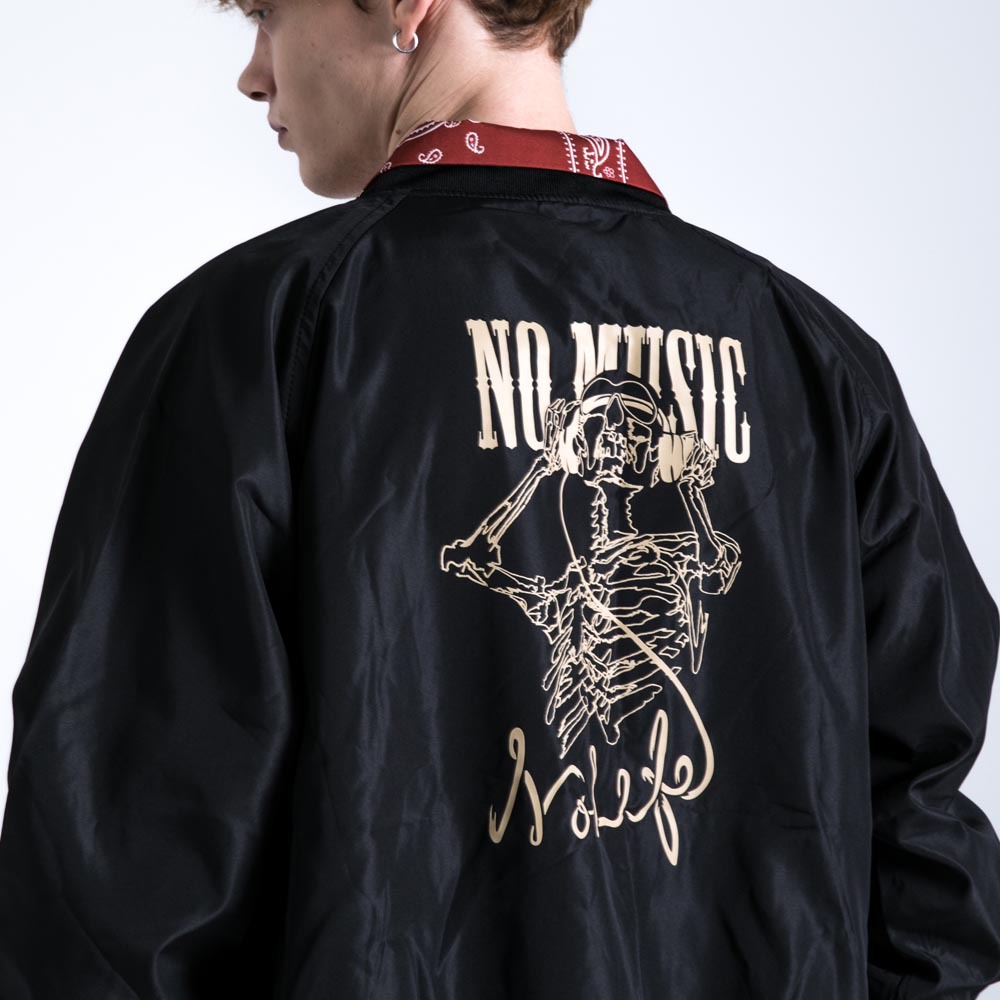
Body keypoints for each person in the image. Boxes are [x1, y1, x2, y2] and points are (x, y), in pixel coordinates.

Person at [1, 0, 998, 997]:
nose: (254, 73)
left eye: (268, 13)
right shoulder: (818, 360)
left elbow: (118, 861)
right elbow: (923, 860)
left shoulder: (255, 335)